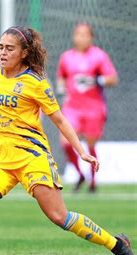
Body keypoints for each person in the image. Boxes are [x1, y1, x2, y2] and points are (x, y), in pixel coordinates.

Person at [0, 26, 136, 255]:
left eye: (10, 49)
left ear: (25, 53)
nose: (3, 53)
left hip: (31, 158)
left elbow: (59, 120)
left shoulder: (36, 83)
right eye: (0, 47)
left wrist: (81, 152)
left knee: (59, 216)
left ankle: (118, 246)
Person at [56, 23, 118, 193]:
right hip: (72, 108)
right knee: (66, 143)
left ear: (91, 37)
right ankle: (79, 174)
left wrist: (96, 80)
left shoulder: (99, 56)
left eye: (85, 34)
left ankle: (92, 181)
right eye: (78, 34)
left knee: (90, 146)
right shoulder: (66, 57)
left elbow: (112, 78)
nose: (81, 37)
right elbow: (61, 77)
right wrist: (62, 90)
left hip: (94, 108)